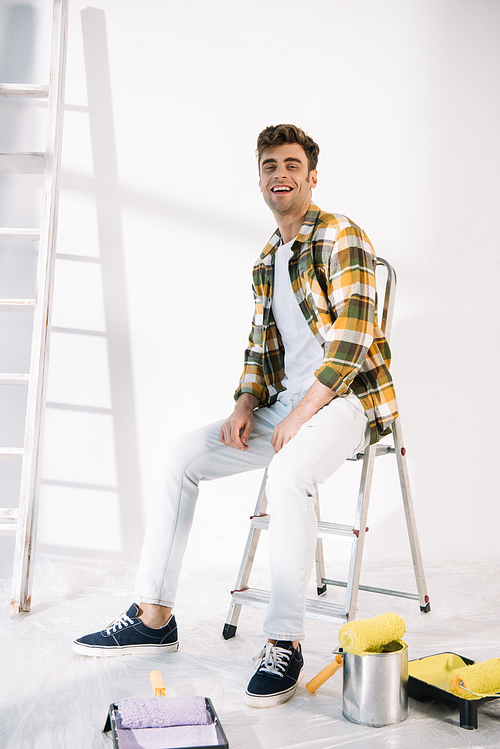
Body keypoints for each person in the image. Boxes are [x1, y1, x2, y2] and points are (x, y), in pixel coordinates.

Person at [72, 124, 398, 709]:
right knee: (178, 457)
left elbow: (353, 336)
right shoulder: (267, 260)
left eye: (292, 164)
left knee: (289, 473)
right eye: (270, 165)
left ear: (312, 176)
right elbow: (258, 349)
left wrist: (302, 411)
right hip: (286, 410)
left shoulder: (342, 236)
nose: (281, 175)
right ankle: (153, 617)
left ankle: (284, 641)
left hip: (346, 401)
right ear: (259, 179)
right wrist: (247, 404)